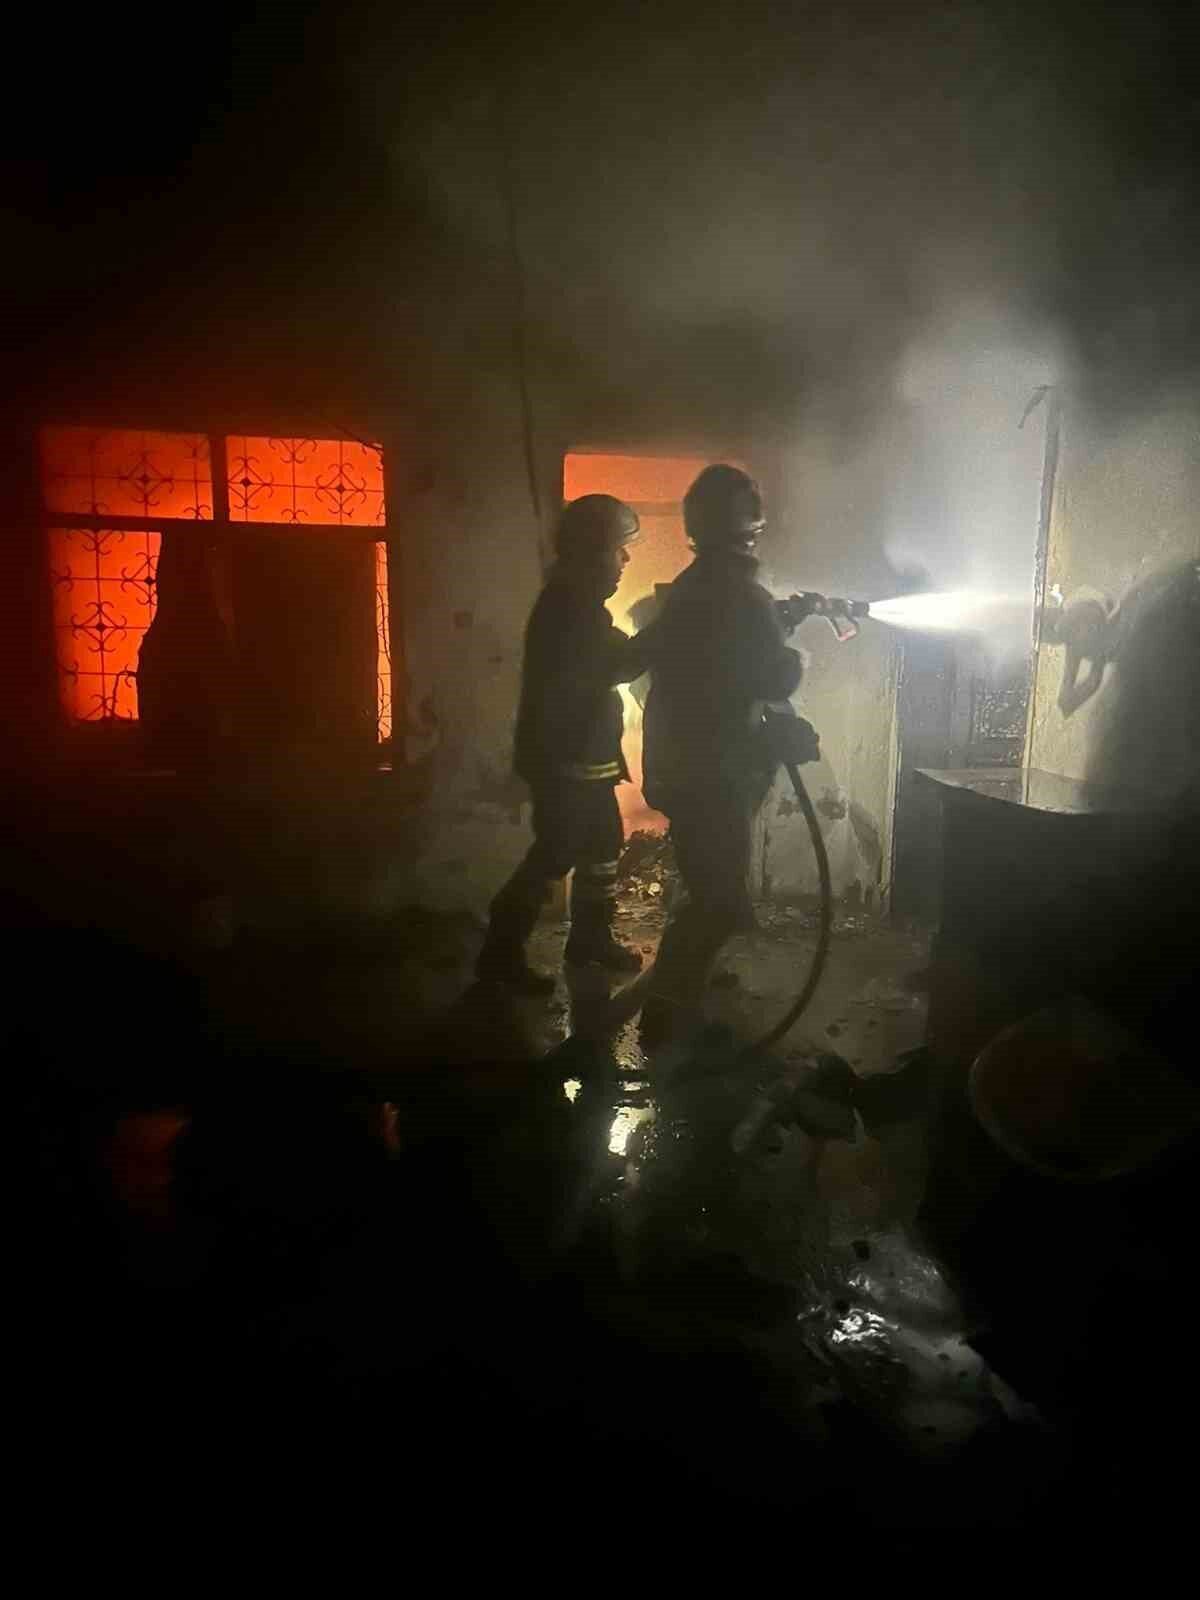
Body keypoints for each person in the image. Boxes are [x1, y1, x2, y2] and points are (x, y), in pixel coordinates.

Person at [639, 465, 804, 1042]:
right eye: (751, 513)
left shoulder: (696, 586)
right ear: (744, 525)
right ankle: (665, 1016)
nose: (759, 522)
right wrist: (788, 650)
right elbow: (772, 676)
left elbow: (718, 660)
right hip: (713, 771)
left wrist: (776, 622)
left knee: (710, 885)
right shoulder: (739, 593)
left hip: (687, 765)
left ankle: (687, 995)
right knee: (717, 900)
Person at [476, 495, 657, 993]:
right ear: (591, 552)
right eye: (618, 549)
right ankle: (499, 954)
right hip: (565, 762)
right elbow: (620, 664)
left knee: (602, 847)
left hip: (584, 759)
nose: (624, 560)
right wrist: (665, 628)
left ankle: (590, 941)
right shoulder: (569, 611)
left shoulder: (575, 604)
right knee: (555, 854)